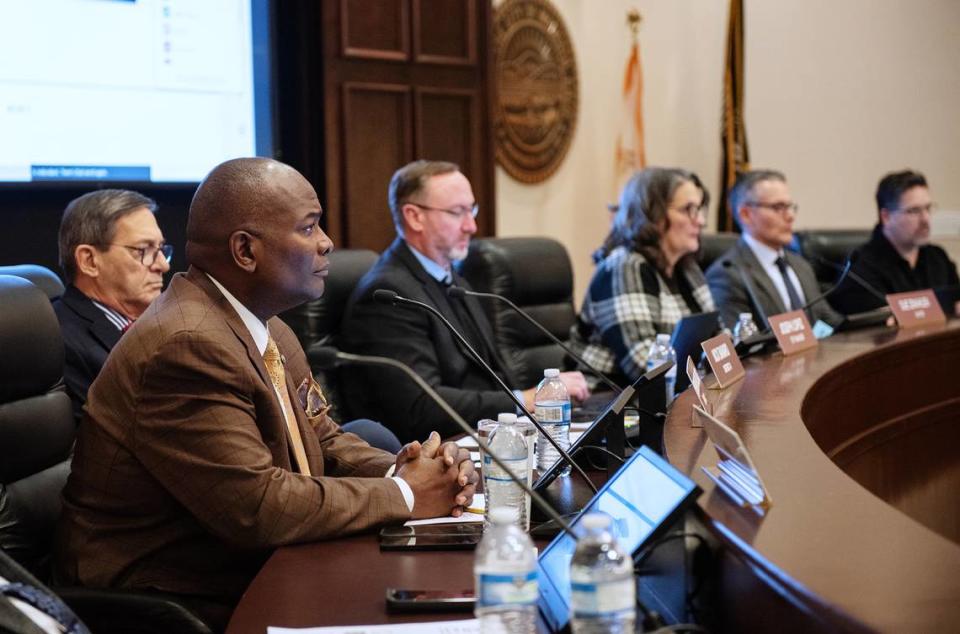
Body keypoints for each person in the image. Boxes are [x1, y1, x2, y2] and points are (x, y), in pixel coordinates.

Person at [54, 158, 477, 632]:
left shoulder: (266, 325)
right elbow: (257, 508)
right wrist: (404, 494)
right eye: (309, 227)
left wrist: (411, 469)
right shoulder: (187, 345)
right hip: (165, 594)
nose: (326, 242)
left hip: (246, 562)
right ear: (245, 251)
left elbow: (324, 441)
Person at [340, 160, 589, 442]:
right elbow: (422, 406)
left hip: (489, 436)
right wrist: (525, 401)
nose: (471, 226)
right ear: (414, 217)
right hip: (438, 450)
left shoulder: (455, 280)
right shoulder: (388, 295)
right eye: (457, 212)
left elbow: (492, 376)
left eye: (471, 210)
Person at [568, 167, 716, 384]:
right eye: (689, 209)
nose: (701, 221)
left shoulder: (686, 267)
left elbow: (719, 341)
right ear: (652, 214)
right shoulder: (624, 267)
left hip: (672, 399)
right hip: (605, 402)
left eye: (700, 209)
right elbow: (646, 367)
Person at [52, 189, 171, 422]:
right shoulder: (57, 340)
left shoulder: (164, 325)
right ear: (89, 261)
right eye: (143, 250)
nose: (162, 266)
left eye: (161, 250)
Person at [706, 169, 843, 331]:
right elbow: (741, 345)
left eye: (790, 207)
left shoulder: (800, 265)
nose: (790, 216)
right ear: (745, 215)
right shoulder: (727, 274)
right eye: (779, 207)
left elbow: (829, 322)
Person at [829, 169, 959, 314]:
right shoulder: (861, 269)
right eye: (914, 211)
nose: (926, 219)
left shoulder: (938, 257)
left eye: (928, 208)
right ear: (886, 216)